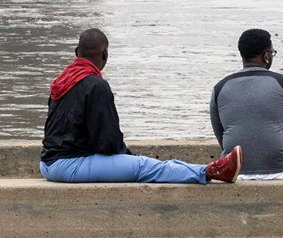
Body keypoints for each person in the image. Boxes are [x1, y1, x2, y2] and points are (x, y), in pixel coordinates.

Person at [41, 29, 241, 184]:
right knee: (144, 166)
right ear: (105, 54)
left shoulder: (63, 80)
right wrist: (127, 157)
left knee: (137, 163)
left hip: (48, 163)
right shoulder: (96, 86)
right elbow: (107, 142)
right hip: (68, 165)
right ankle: (209, 172)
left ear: (77, 52)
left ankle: (206, 170)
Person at [210, 29, 283, 180]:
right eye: (272, 52)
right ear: (266, 56)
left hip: (237, 170)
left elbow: (222, 139)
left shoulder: (219, 88)